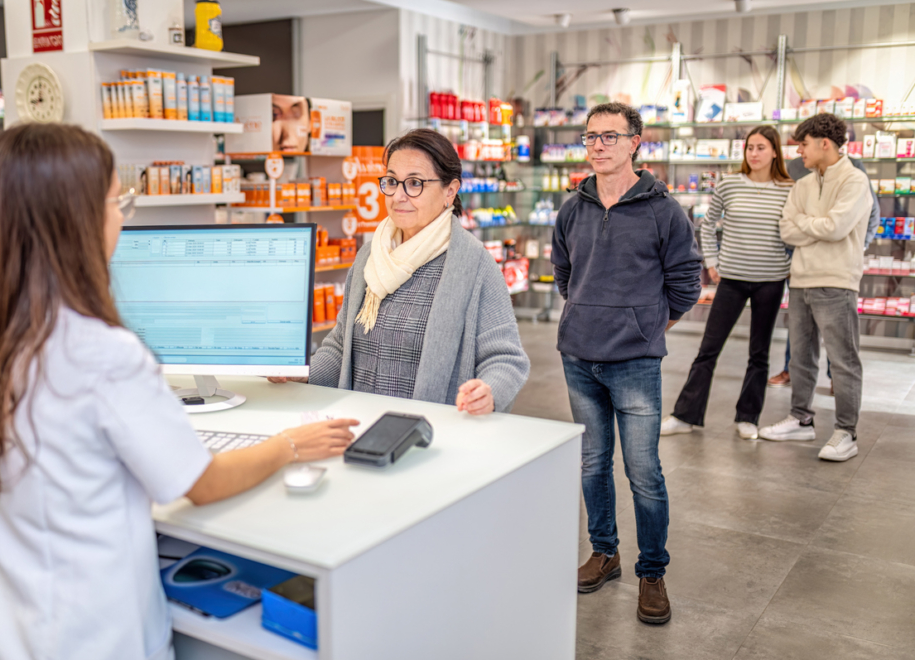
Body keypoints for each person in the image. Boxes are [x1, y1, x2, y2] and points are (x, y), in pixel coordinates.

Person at [0, 123, 360, 659]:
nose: (122, 216)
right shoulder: (99, 354)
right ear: (73, 221)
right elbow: (201, 482)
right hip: (83, 639)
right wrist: (291, 444)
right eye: (114, 201)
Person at [551, 102, 702, 624]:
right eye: (591, 136)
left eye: (610, 136)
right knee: (592, 465)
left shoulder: (664, 210)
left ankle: (652, 572)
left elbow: (686, 283)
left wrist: (646, 327)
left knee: (644, 474)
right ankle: (605, 552)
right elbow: (564, 272)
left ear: (637, 142)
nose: (598, 145)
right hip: (578, 357)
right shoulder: (573, 207)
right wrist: (587, 316)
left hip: (635, 362)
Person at [272, 129, 529, 414]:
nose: (398, 196)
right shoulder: (371, 256)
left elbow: (506, 359)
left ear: (450, 191)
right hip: (359, 425)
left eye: (415, 183)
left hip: (430, 432)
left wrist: (488, 392)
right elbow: (340, 347)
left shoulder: (474, 265)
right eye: (392, 182)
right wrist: (303, 373)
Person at [661, 126, 794, 440]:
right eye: (750, 147)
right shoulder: (729, 184)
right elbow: (707, 226)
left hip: (771, 280)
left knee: (759, 353)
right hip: (732, 279)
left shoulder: (789, 189)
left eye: (761, 147)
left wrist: (789, 267)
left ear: (775, 151)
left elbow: (795, 232)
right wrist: (712, 262)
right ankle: (685, 415)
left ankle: (747, 417)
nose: (754, 153)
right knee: (709, 348)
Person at [758, 113, 873, 462]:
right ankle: (801, 418)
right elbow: (786, 230)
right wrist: (816, 226)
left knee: (843, 360)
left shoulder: (854, 181)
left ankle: (846, 432)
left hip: (837, 282)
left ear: (825, 143)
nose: (799, 151)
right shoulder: (803, 184)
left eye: (804, 144)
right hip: (802, 280)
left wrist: (808, 225)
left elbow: (837, 228)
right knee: (801, 358)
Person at [767, 154, 880, 389]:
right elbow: (788, 219)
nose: (800, 147)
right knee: (800, 325)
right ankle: (791, 369)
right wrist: (821, 231)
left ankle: (834, 377)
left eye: (805, 141)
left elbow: (868, 214)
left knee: (835, 328)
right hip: (799, 256)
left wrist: (860, 244)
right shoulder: (796, 167)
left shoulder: (853, 170)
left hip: (835, 261)